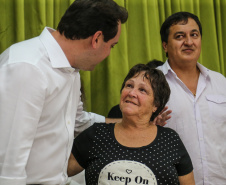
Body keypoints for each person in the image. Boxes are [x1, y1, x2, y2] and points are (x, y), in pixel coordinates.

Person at [0, 0, 128, 184]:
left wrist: (125, 123)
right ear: (97, 39)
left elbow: (77, 121)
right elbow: (7, 168)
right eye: (112, 46)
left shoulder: (71, 68)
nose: (109, 53)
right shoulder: (27, 68)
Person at [68, 64, 195, 185]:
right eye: (129, 86)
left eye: (142, 90)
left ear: (156, 105)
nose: (132, 93)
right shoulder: (96, 134)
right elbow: (57, 172)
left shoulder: (170, 140)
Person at [157, 11, 226, 184]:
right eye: (180, 36)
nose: (189, 42)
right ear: (165, 45)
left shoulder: (220, 82)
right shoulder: (151, 82)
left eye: (194, 35)